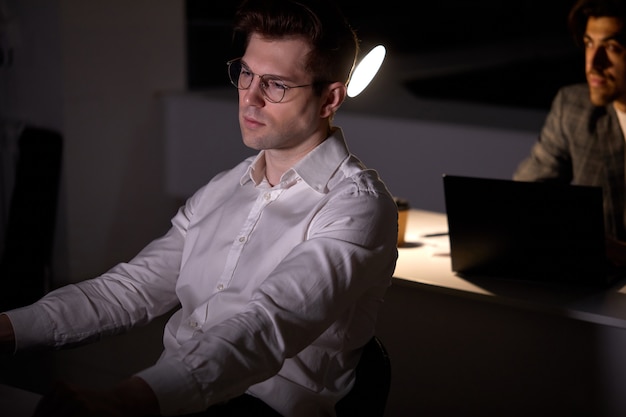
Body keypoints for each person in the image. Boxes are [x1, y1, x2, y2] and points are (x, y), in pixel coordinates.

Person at [0, 0, 399, 415]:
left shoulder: (358, 207)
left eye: (276, 84)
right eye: (246, 73)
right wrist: (7, 329)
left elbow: (266, 326)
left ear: (329, 98)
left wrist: (125, 400)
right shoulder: (223, 189)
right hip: (176, 398)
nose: (250, 98)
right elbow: (128, 290)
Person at [513, 0, 626, 266]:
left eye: (612, 47)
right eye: (589, 43)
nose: (593, 62)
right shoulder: (574, 106)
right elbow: (525, 195)